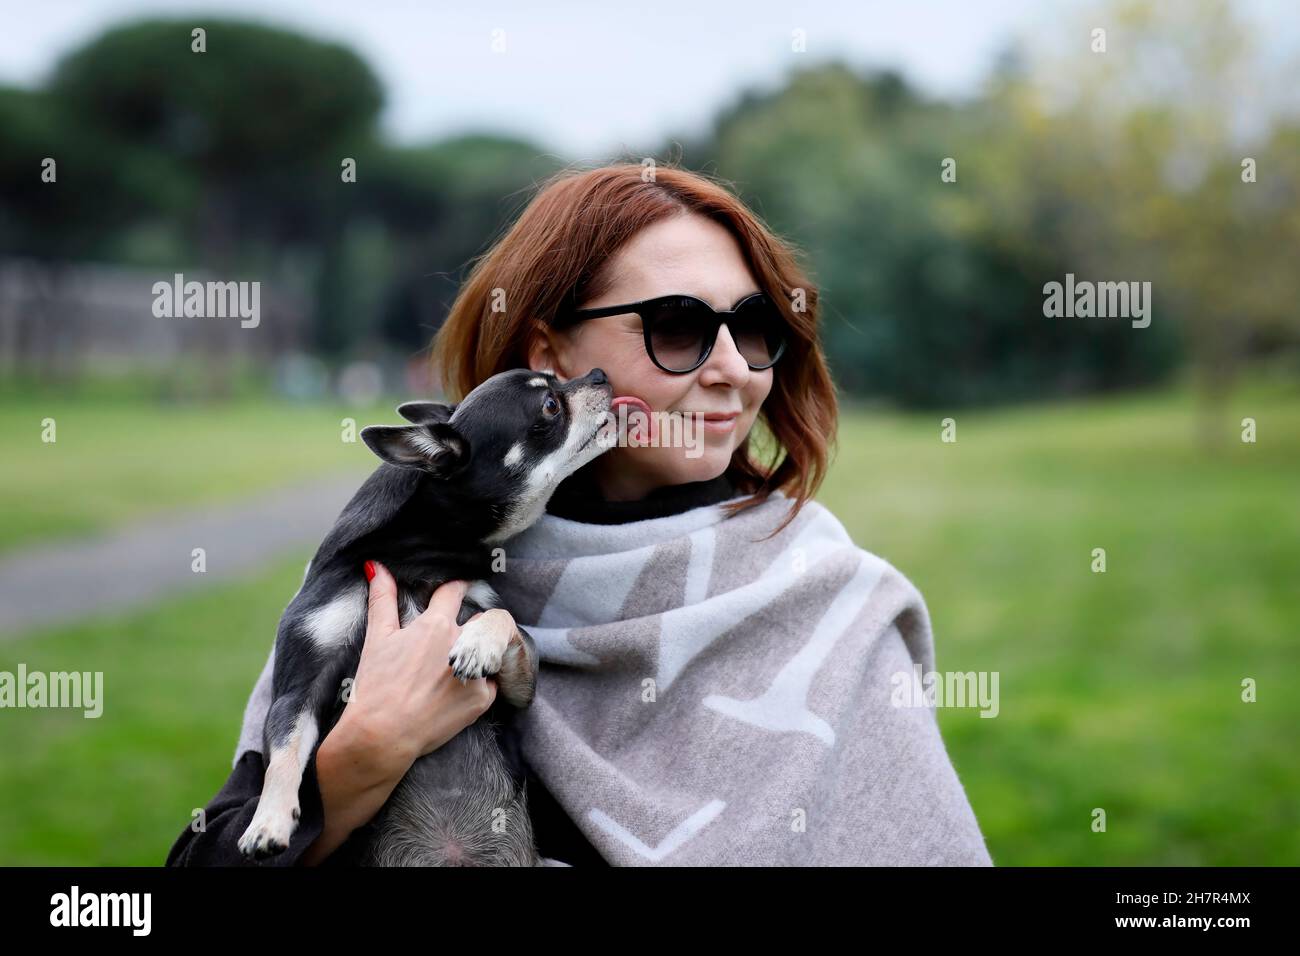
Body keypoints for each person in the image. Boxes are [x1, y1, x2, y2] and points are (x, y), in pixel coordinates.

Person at [167, 162, 992, 866]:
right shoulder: (393, 584)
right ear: (547, 355)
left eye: (754, 327)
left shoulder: (828, 604)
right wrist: (355, 765)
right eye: (678, 327)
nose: (734, 370)